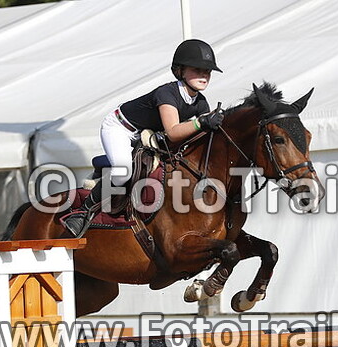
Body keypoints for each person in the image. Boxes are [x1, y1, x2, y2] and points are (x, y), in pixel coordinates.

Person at [63, 39, 226, 236]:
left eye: (207, 71)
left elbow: (197, 136)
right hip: (120, 128)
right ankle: (83, 213)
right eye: (197, 69)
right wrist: (202, 122)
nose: (204, 75)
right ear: (180, 71)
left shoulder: (200, 102)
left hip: (147, 135)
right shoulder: (167, 93)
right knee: (123, 172)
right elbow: (174, 131)